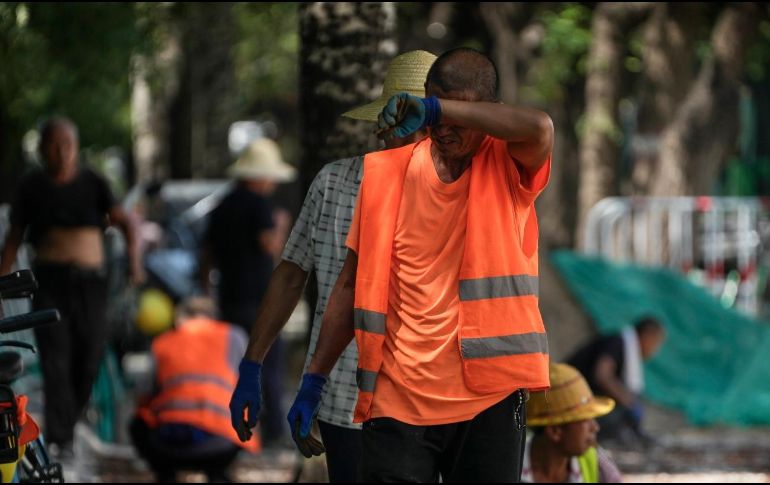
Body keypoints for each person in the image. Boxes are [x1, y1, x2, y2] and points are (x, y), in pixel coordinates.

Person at [287, 47, 555, 482]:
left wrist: (438, 108)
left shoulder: (508, 165)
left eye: (457, 112)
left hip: (489, 399)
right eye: (433, 108)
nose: (443, 127)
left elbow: (540, 126)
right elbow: (349, 285)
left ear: (488, 111)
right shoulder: (384, 174)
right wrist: (314, 378)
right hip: (398, 400)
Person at [229, 50, 437, 482]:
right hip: (345, 398)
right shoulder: (335, 182)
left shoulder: (453, 192)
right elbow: (291, 274)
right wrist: (252, 366)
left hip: (431, 402)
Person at [0, 117, 143, 457]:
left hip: (91, 285)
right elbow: (13, 239)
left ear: (76, 148)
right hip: (50, 282)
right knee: (55, 359)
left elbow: (126, 223)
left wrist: (135, 262)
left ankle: (70, 422)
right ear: (42, 149)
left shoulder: (93, 182)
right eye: (54, 144)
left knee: (90, 356)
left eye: (68, 144)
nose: (62, 151)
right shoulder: (32, 186)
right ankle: (60, 438)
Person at [201, 137, 295, 446]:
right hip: (260, 301)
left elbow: (207, 254)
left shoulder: (223, 204)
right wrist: (281, 226)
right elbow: (270, 246)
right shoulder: (260, 207)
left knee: (234, 366)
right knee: (267, 364)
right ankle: (272, 434)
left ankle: (232, 430)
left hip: (230, 299)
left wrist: (205, 291)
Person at [131, 297, 258, 482]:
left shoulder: (163, 342)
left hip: (169, 445)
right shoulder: (234, 336)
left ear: (180, 319)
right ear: (214, 318)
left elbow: (143, 394)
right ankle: (218, 473)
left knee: (138, 422)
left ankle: (166, 476)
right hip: (221, 442)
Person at [567, 317, 665, 443]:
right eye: (656, 343)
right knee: (617, 412)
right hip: (571, 399)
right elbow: (602, 376)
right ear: (647, 337)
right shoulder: (616, 343)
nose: (654, 350)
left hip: (582, 399)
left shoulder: (623, 347)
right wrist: (627, 400)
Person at [523, 363, 623, 483]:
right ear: (555, 431)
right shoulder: (509, 465)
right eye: (586, 420)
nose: (595, 427)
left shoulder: (593, 459)